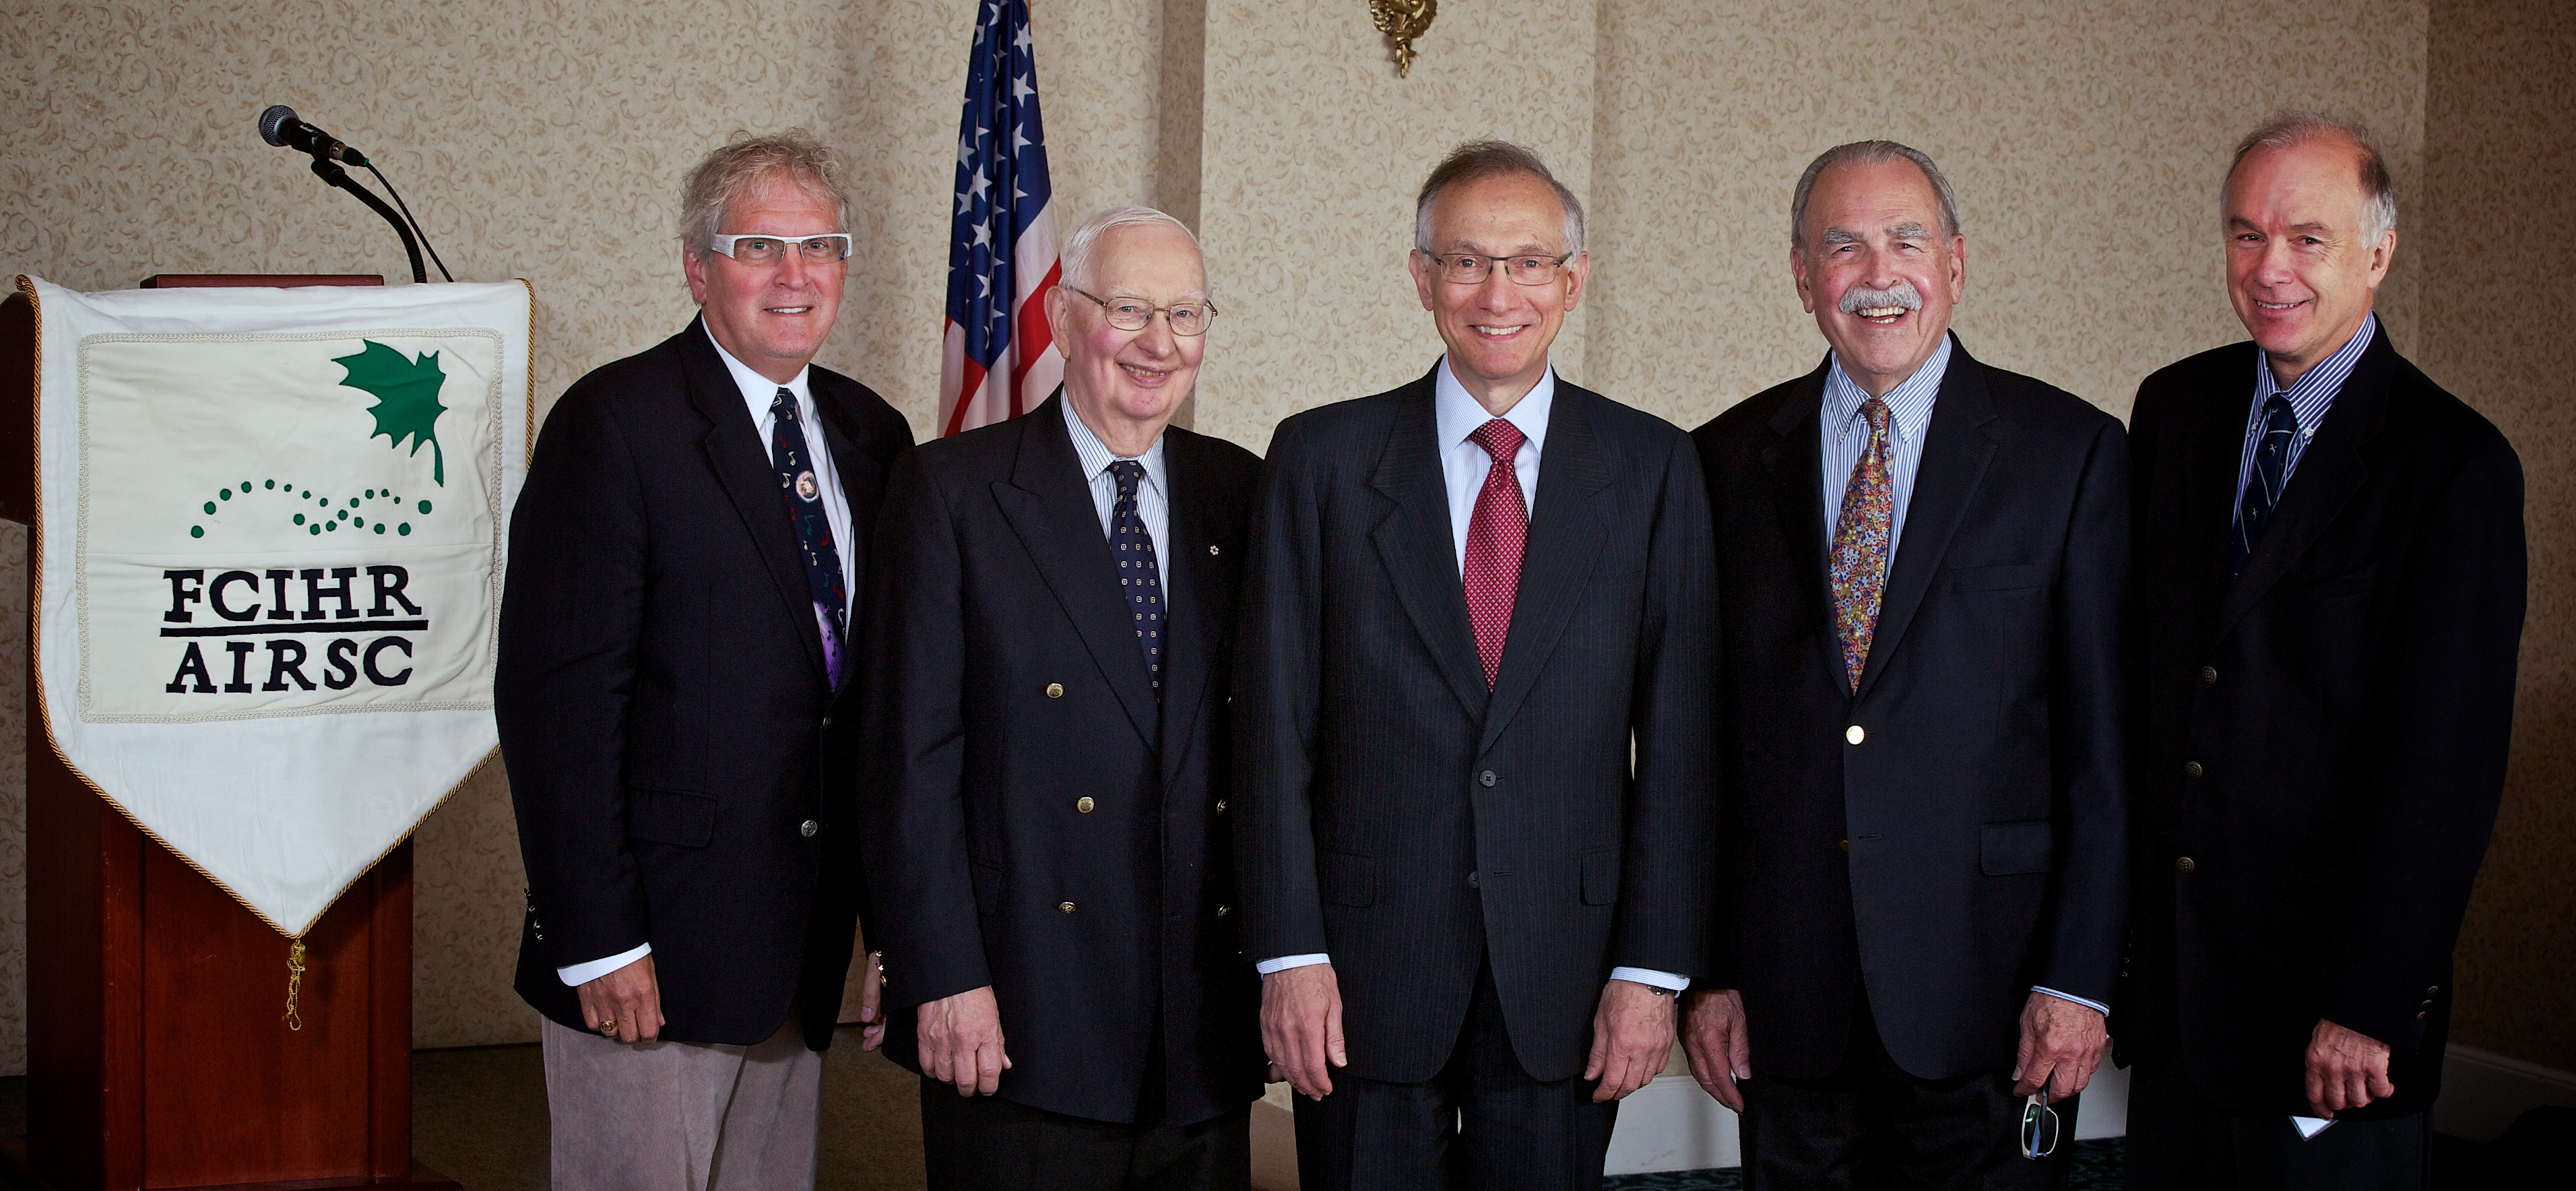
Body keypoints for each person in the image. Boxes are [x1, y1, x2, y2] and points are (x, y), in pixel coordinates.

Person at [1234, 140, 1718, 1191]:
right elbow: (1270, 733)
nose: (1499, 292)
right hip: (1358, 979)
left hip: (1570, 979)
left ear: (1574, 281)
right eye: (1466, 262)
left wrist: (1652, 970)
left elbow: (1682, 744)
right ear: (1421, 278)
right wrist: (1288, 955)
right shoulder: (1319, 461)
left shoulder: (1653, 468)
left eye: (1530, 262)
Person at [1683, 140, 2131, 1188]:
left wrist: (2080, 980)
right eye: (1843, 246)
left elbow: (2105, 752)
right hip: (1789, 1004)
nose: (1877, 274)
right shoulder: (1718, 462)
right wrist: (1707, 974)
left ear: (1957, 264)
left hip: (1999, 995)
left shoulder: (2069, 453)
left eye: (1906, 240)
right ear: (1804, 277)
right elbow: (1696, 750)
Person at [496, 130, 912, 1190]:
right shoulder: (615, 424)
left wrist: (891, 923)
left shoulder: (874, 435)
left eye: (819, 245)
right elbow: (558, 710)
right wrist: (596, 939)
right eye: (759, 245)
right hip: (652, 951)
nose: (794, 274)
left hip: (800, 941)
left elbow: (874, 709)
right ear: (697, 268)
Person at [2119, 111, 2526, 1190]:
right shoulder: (2174, 410)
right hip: (2177, 1007)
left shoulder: (2456, 467)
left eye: (2308, 237)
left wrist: (2370, 1000)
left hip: (2334, 1029)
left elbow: (2446, 772)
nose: (2271, 268)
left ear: (2379, 251)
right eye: (2247, 236)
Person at [859, 206, 1266, 1191]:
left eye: (1185, 313)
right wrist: (940, 973)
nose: (1159, 344)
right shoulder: (953, 491)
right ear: (1060, 314)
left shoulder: (1244, 493)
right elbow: (907, 761)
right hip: (1021, 1007)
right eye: (1129, 309)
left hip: (1198, 1022)